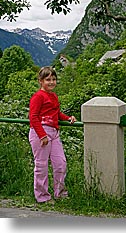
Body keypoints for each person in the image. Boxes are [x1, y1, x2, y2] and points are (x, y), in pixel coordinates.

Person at [29, 66, 76, 203]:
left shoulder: (53, 96)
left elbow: (56, 114)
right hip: (40, 133)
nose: (51, 82)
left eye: (54, 79)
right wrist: (42, 135)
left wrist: (68, 118)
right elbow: (33, 117)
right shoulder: (38, 97)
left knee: (61, 163)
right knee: (41, 165)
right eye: (48, 79)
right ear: (41, 81)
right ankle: (42, 196)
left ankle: (60, 193)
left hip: (54, 133)